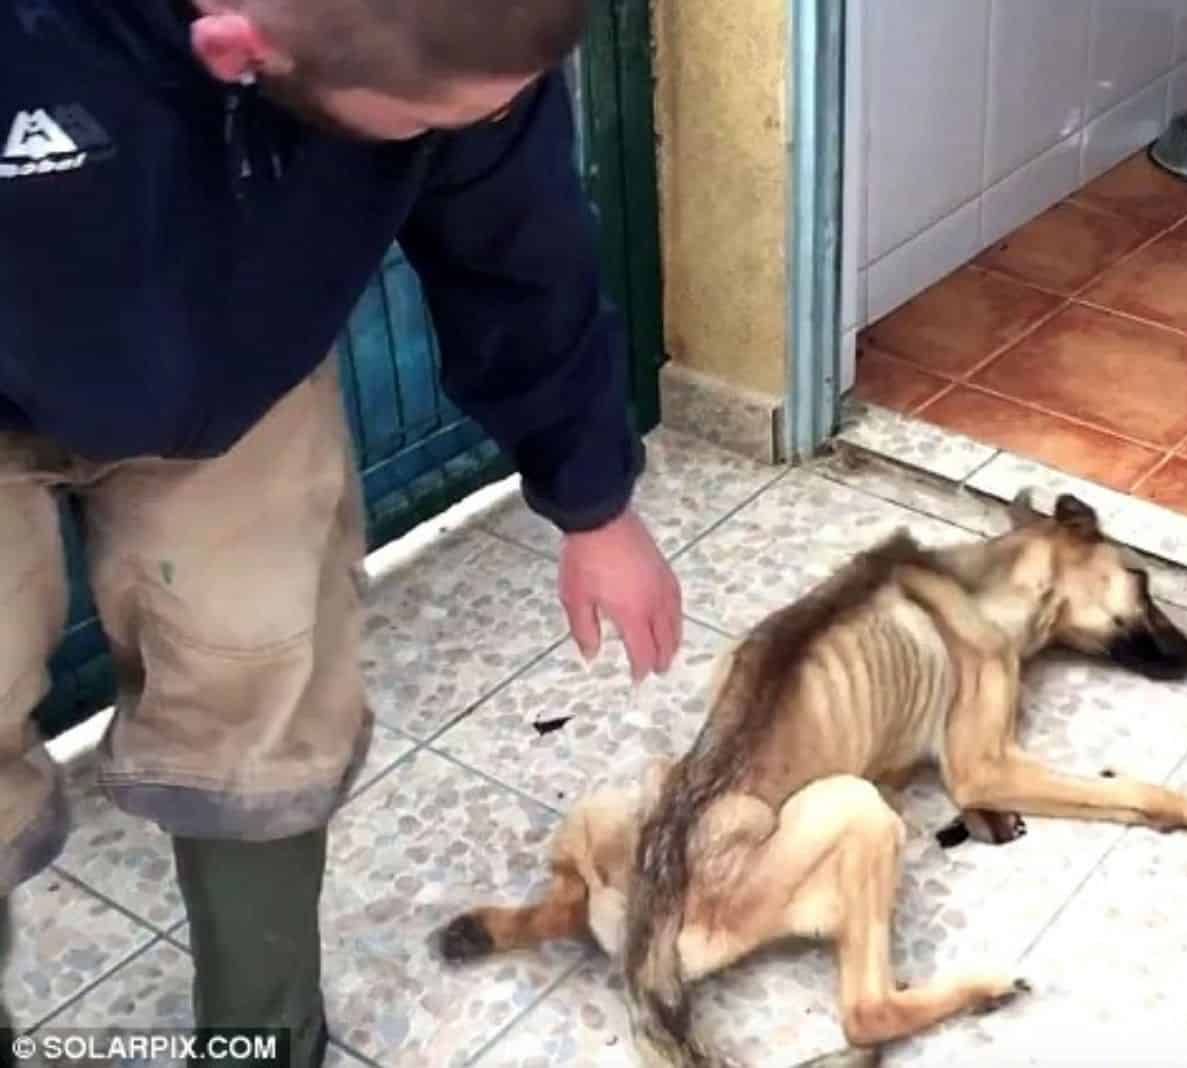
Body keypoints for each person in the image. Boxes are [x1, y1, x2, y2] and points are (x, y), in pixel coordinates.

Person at [0, 1, 685, 1063]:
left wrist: (594, 504)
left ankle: (263, 1039)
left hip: (242, 377)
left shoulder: (457, 39)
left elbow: (518, 251)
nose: (471, 136)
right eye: (420, 130)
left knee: (265, 698)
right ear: (238, 48)